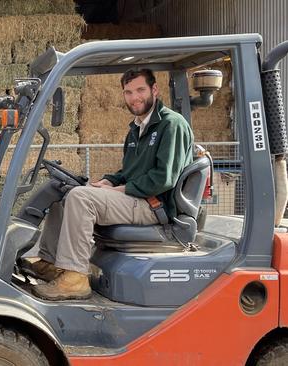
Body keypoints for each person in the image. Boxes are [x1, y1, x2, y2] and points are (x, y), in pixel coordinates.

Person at [29, 68, 194, 301]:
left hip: (154, 205)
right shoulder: (136, 129)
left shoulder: (171, 125)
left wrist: (118, 189)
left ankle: (75, 279)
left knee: (81, 198)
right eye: (128, 92)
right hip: (137, 199)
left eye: (140, 90)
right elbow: (128, 172)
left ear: (154, 90)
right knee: (64, 192)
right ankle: (51, 263)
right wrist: (109, 181)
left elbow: (162, 179)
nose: (134, 97)